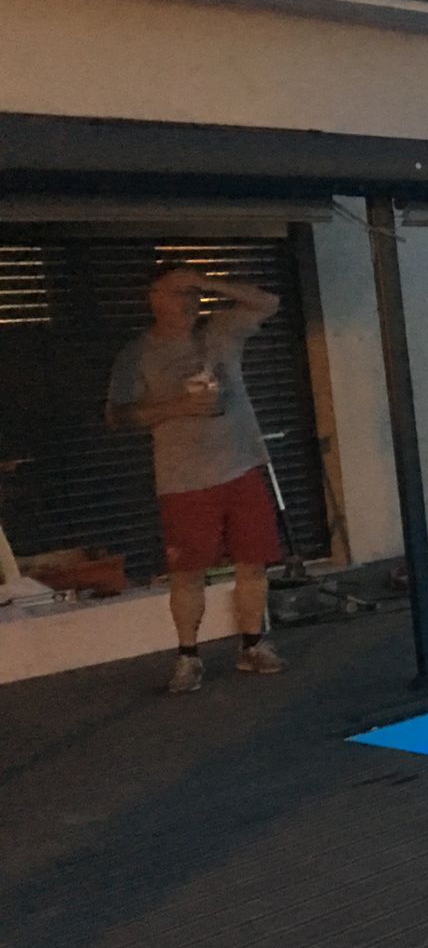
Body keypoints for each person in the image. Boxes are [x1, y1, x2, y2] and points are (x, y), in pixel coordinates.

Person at [107, 267, 288, 693]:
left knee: (253, 561)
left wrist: (208, 282)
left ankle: (253, 644)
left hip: (241, 464)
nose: (189, 302)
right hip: (184, 478)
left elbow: (269, 303)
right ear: (153, 297)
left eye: (194, 294)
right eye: (178, 293)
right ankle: (188, 656)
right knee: (188, 570)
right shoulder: (138, 353)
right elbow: (118, 415)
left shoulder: (220, 331)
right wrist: (179, 407)